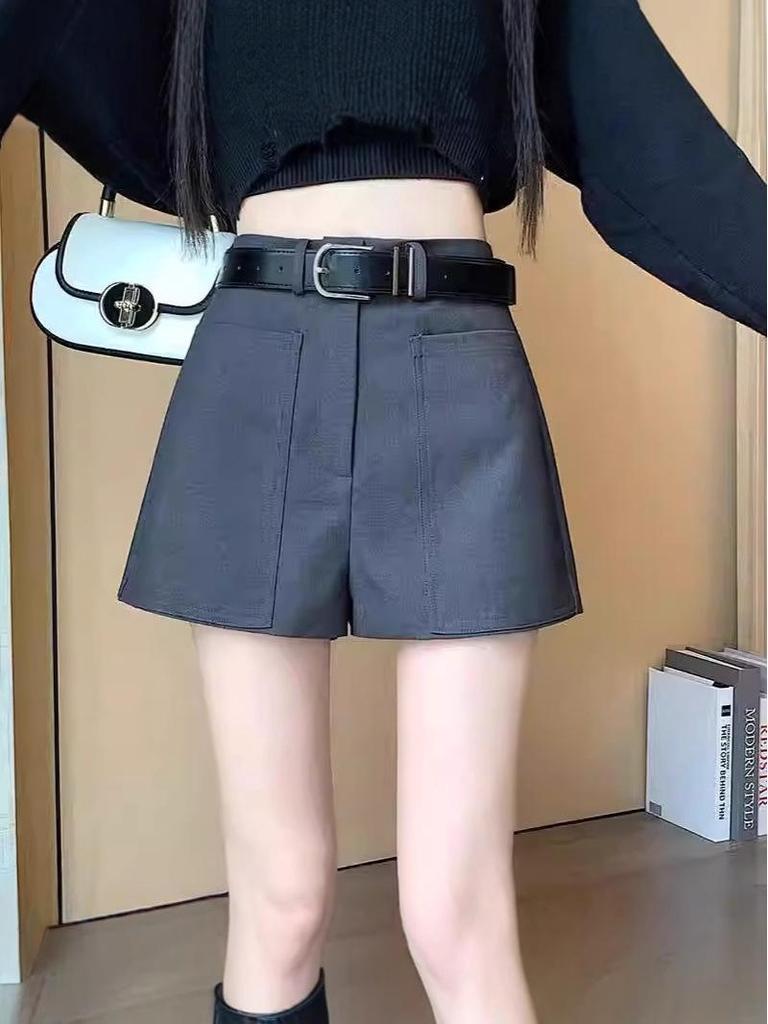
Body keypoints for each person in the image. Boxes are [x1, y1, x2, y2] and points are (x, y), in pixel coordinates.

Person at [2, 2, 765, 1023]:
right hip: (255, 363)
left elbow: (661, 157)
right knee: (279, 901)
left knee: (457, 913)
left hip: (454, 362)